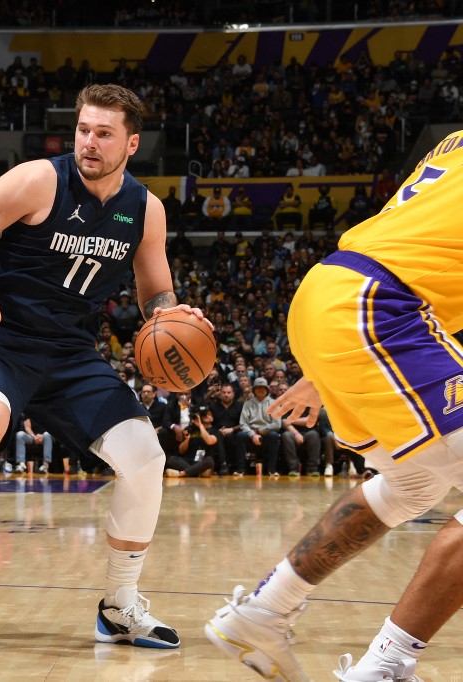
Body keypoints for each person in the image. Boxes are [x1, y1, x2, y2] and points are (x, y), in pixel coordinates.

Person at [0, 83, 210, 648]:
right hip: (2, 339)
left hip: (72, 353)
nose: (89, 142)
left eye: (104, 133)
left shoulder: (146, 209)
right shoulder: (39, 180)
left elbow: (155, 292)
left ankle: (119, 604)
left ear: (132, 144)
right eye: (83, 130)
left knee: (146, 459)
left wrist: (172, 315)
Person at [206, 129, 463, 681]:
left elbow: (425, 244)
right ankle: (386, 668)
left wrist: (325, 366)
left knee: (414, 486)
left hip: (341, 296)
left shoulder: (454, 144)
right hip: (383, 308)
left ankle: (264, 612)